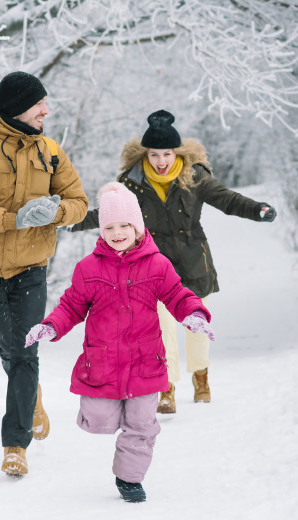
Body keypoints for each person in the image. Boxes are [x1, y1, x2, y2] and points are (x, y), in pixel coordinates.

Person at [70, 109, 276, 414]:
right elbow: (107, 215)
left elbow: (228, 199)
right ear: (146, 154)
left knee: (196, 325)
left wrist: (257, 209)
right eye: (154, 154)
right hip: (152, 267)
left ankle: (201, 375)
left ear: (176, 152)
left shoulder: (195, 177)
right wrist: (68, 220)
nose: (161, 161)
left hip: (193, 261)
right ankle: (166, 387)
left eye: (166, 153)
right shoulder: (132, 184)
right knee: (161, 330)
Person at [24, 182, 214, 502]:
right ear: (101, 230)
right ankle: (113, 426)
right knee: (98, 418)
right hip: (102, 363)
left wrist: (194, 313)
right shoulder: (89, 268)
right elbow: (71, 306)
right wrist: (50, 327)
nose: (117, 232)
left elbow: (177, 295)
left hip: (145, 362)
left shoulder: (157, 265)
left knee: (141, 423)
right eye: (109, 226)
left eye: (125, 225)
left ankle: (129, 479)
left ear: (138, 227)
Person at [0, 71, 89, 476]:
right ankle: (31, 398)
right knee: (10, 350)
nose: (46, 110)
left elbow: (79, 201)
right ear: (16, 108)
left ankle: (15, 444)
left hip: (31, 268)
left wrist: (56, 212)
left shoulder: (50, 151)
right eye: (38, 104)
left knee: (25, 350)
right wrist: (16, 218)